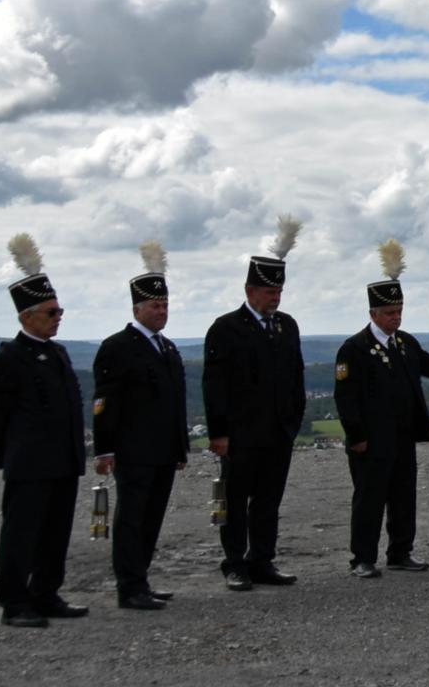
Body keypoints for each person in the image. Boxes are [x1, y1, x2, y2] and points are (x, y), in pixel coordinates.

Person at [333, 241, 429, 577]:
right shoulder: (354, 349)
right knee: (370, 500)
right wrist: (356, 436)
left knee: (403, 497)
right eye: (390, 313)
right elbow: (345, 398)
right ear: (373, 313)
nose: (396, 318)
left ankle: (400, 551)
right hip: (371, 440)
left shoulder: (405, 342)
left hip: (402, 435)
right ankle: (362, 558)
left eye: (399, 312)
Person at [0, 234, 89, 628]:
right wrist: (9, 457)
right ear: (27, 316)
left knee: (54, 534)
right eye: (51, 312)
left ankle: (46, 593)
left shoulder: (58, 353)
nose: (58, 317)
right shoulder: (7, 360)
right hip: (29, 464)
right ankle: (14, 602)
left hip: (62, 460)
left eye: (59, 311)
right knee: (21, 535)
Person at [203, 216, 307, 592]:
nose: (274, 297)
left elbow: (296, 378)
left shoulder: (287, 326)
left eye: (278, 291)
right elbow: (214, 385)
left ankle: (262, 559)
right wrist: (219, 432)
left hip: (278, 432)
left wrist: (294, 421)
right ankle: (234, 563)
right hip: (241, 435)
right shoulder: (226, 328)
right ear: (249, 290)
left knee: (267, 502)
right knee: (235, 502)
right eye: (267, 292)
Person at [91, 243, 188, 611]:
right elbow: (104, 403)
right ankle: (129, 586)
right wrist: (104, 449)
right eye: (154, 306)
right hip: (133, 451)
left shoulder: (168, 347)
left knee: (151, 518)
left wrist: (180, 448)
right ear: (137, 309)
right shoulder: (118, 347)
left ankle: (141, 579)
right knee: (131, 519)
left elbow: (175, 403)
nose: (161, 312)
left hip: (163, 451)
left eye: (164, 306)